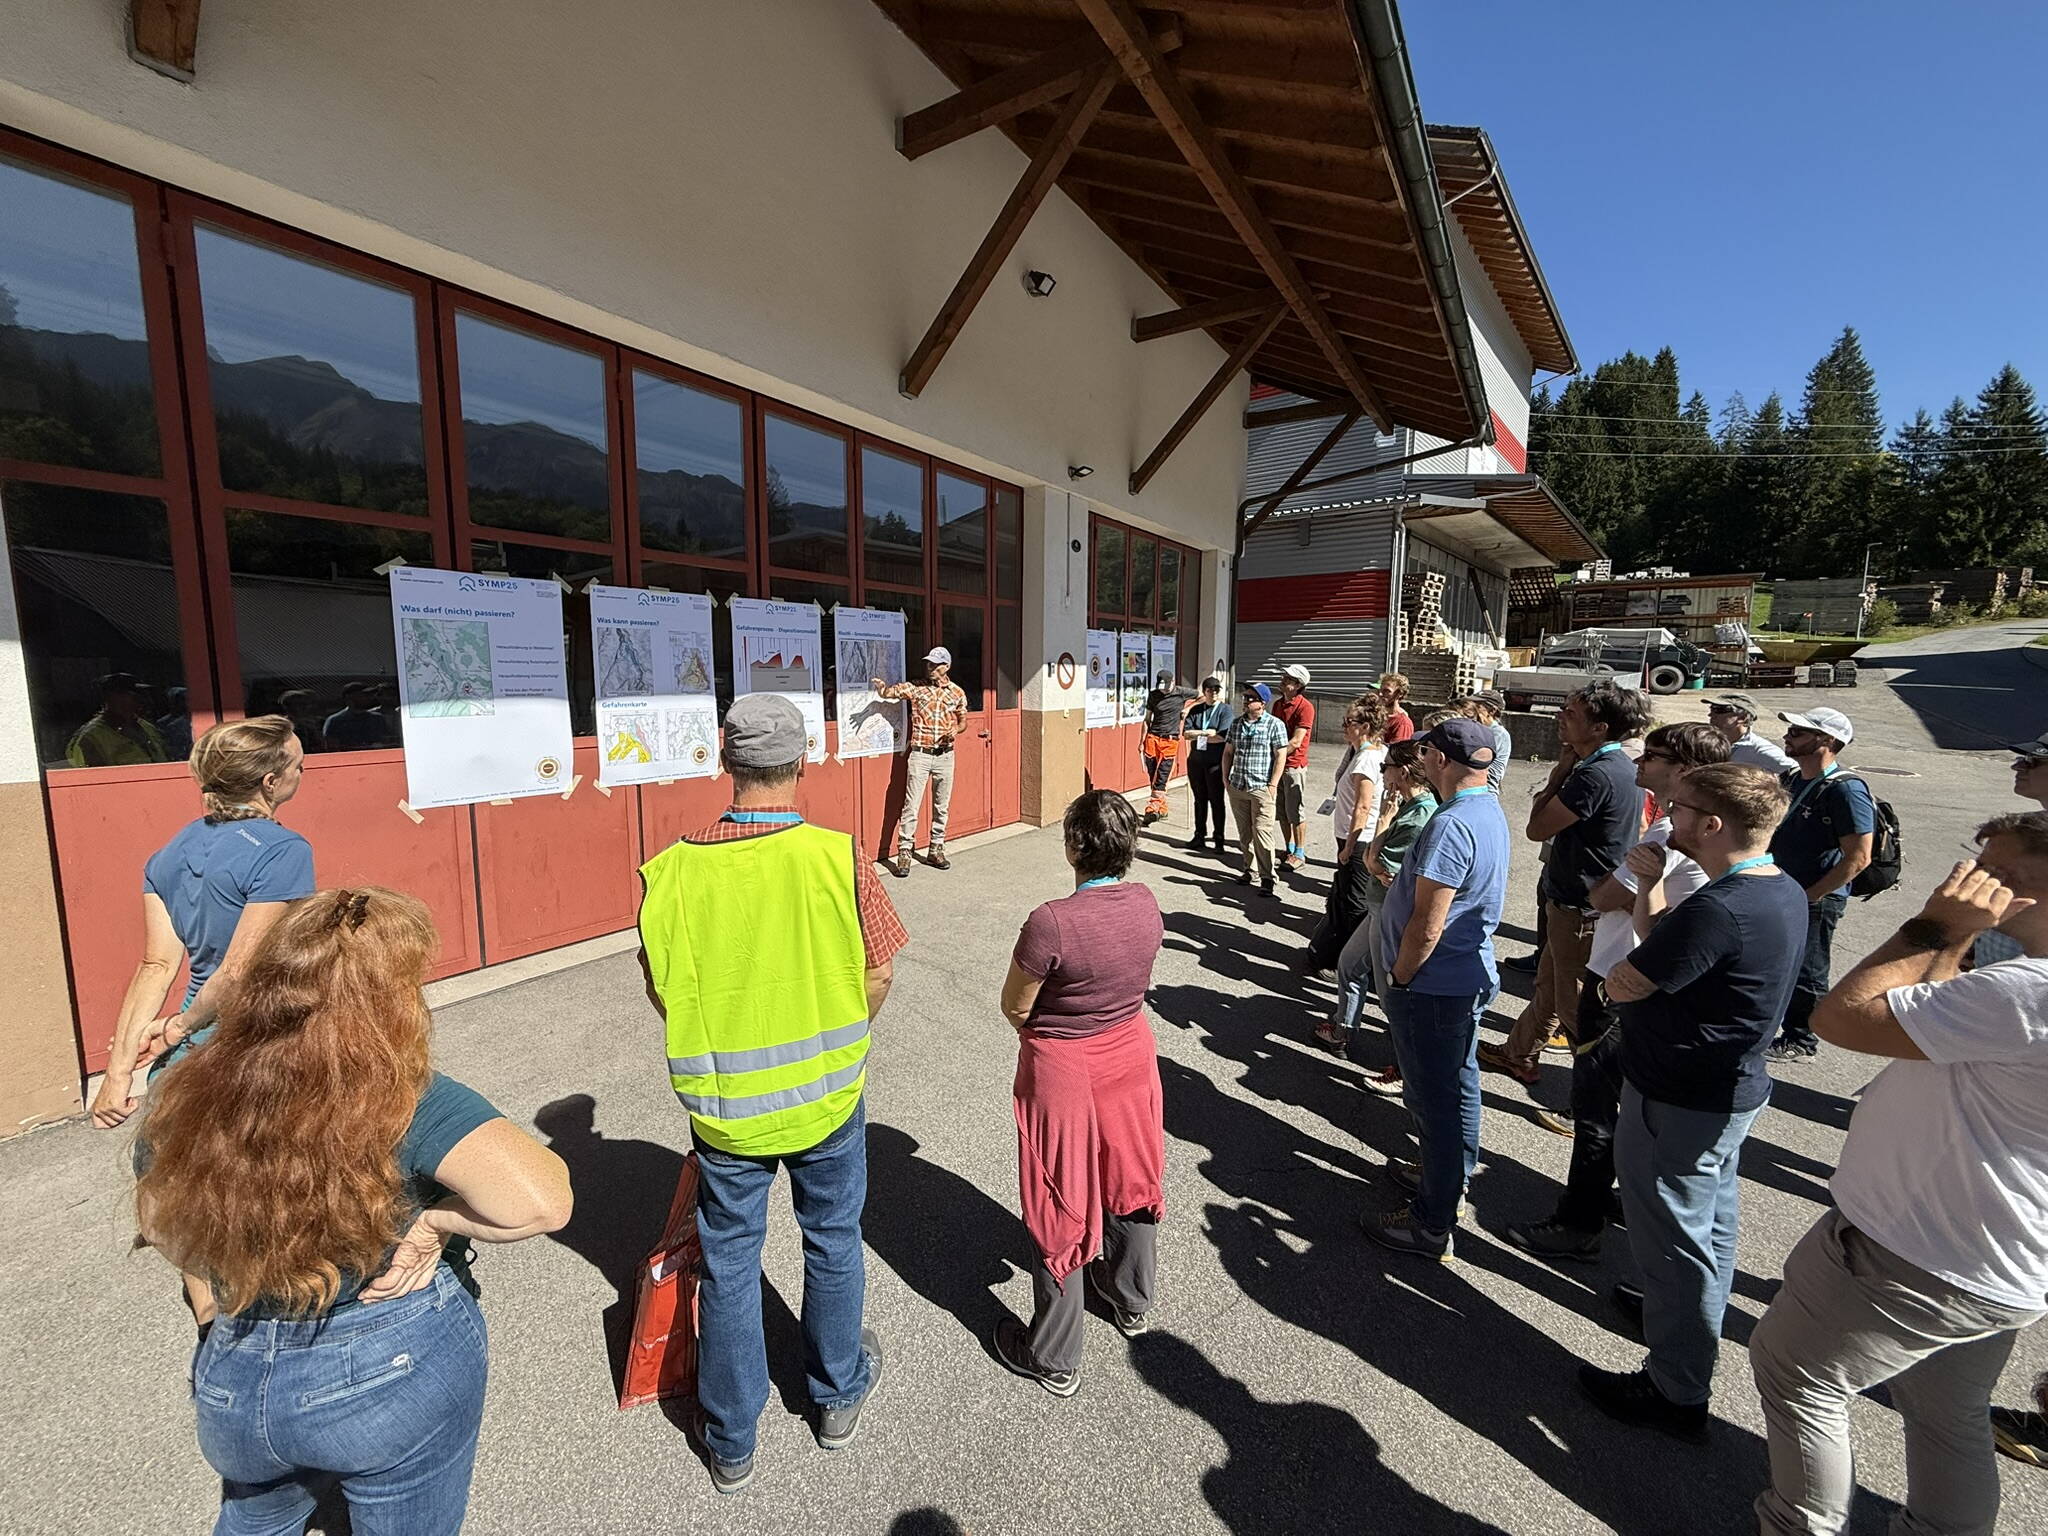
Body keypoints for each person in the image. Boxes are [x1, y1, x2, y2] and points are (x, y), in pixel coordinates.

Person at [136, 887, 573, 1536]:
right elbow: (543, 1203)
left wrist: (208, 1311)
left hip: (234, 1380)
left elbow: (161, 1220)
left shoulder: (186, 1082)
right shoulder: (402, 1096)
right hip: (385, 1368)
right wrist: (434, 1223)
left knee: (255, 1516)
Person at [638, 694, 906, 1492]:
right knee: (831, 1239)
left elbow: (662, 988)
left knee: (728, 1261)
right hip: (828, 1097)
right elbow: (881, 965)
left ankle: (731, 1439)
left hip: (726, 1111)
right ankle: (834, 1395)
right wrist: (840, 1026)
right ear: (801, 763)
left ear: (728, 762)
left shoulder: (671, 871)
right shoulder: (838, 855)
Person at [1751, 820, 2048, 1534]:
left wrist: (1936, 925)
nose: (1973, 879)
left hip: (1916, 1253)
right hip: (1999, 1261)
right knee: (1947, 1413)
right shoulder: (2013, 996)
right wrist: (1956, 946)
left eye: (1998, 870)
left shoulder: (2025, 993)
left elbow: (1844, 1016)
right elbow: (1929, 1031)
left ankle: (1798, 1526)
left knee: (1799, 1375)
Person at [1578, 764, 1805, 1439]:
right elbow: (1663, 950)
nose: (1668, 817)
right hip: (1723, 1092)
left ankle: (1676, 1384)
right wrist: (1649, 884)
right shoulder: (1774, 887)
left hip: (1678, 1097)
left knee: (1672, 1237)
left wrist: (1617, 984)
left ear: (1712, 824)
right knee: (1706, 1226)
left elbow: (1626, 981)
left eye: (1679, 809)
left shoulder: (1720, 906)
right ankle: (1679, 1320)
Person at [1506, 722, 1728, 1257]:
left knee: (1598, 1109)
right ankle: (1619, 1197)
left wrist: (1618, 889)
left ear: (1684, 770)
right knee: (1626, 1106)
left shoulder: (1668, 836)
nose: (1637, 764)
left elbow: (1607, 896)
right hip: (1637, 971)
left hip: (1618, 978)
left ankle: (1578, 1223)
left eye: (1651, 756)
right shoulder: (1684, 829)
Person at [994, 791, 1167, 1395]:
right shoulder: (1147, 903)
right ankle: (1129, 1298)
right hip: (1129, 1052)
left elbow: (1016, 1006)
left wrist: (1054, 1034)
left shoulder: (1051, 921)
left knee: (1060, 1196)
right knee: (1132, 1176)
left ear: (1073, 846)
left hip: (1064, 1067)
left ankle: (1055, 1353)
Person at [91, 715, 315, 1130]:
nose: (303, 772)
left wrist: (117, 1072)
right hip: (260, 1041)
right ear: (269, 782)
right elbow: (237, 972)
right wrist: (178, 1027)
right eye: (298, 765)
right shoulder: (284, 850)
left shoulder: (171, 851)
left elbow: (155, 967)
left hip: (194, 1048)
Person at [1360, 718, 1508, 1259]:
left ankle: (1431, 1220)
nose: (1419, 762)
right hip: (1458, 979)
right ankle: (1449, 1181)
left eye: (1425, 753)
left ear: (1441, 760)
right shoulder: (1484, 806)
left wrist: (1400, 974)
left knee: (1437, 1100)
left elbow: (1429, 921)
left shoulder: (1452, 825)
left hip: (1434, 981)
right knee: (1457, 1087)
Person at [1481, 681, 1652, 1088]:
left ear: (1600, 727)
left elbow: (1537, 828)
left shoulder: (1594, 774)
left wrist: (1559, 771)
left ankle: (1597, 1098)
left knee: (1576, 1006)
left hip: (1580, 907)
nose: (1560, 717)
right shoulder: (1617, 766)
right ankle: (1518, 1054)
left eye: (1571, 713)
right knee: (1551, 988)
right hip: (1575, 902)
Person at [1764, 707, 1875, 1063]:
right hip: (1784, 890)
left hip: (1816, 898)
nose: (1788, 736)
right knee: (1779, 963)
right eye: (1792, 730)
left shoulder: (1846, 789)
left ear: (1827, 741)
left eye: (1798, 732)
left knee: (1808, 970)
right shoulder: (1793, 778)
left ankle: (1801, 1040)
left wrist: (1813, 896)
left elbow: (1859, 857)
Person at [1325, 739, 1437, 1074]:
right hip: (1378, 907)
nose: (1381, 770)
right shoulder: (1409, 803)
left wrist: (1384, 820)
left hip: (1389, 914)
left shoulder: (1416, 815)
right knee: (1349, 965)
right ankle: (1343, 1032)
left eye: (1386, 765)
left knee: (1391, 994)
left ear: (1402, 772)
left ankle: (1409, 1065)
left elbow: (1375, 863)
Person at [1305, 693, 1391, 989]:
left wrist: (1350, 847)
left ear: (1365, 725)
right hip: (1354, 838)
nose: (1343, 726)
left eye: (1349, 721)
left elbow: (1363, 807)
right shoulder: (1365, 753)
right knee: (1344, 900)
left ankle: (1352, 964)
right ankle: (1339, 955)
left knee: (1355, 904)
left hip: (1359, 841)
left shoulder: (1367, 759)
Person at [875, 646, 969, 877]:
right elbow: (891, 693)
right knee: (911, 805)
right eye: (928, 663)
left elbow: (963, 721)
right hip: (920, 754)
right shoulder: (917, 688)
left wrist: (955, 730)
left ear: (946, 667)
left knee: (941, 805)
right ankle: (905, 852)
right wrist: (882, 690)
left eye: (935, 664)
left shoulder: (957, 693)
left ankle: (936, 849)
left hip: (945, 756)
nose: (929, 667)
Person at [1222, 682, 1290, 896]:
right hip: (1238, 786)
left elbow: (1281, 756)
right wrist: (1226, 778)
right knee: (1245, 833)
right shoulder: (1236, 724)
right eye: (1245, 696)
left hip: (1261, 788)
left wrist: (1273, 785)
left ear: (1262, 702)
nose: (1245, 700)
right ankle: (1249, 870)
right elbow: (1228, 752)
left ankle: (1268, 877)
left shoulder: (1274, 724)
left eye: (1250, 697)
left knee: (1262, 833)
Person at [66, 671, 168, 767]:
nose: (142, 700)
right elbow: (91, 780)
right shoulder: (91, 738)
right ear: (112, 698)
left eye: (142, 695)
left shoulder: (146, 726)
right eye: (133, 695)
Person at [1181, 677, 1233, 854]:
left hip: (1215, 763)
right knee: (1199, 800)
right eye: (1210, 690)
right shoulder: (1196, 710)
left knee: (1216, 801)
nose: (1214, 693)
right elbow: (1186, 734)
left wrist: (1201, 735)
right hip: (1196, 761)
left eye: (1217, 690)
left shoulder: (1225, 711)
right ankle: (1199, 835)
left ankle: (1219, 839)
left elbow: (1220, 736)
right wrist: (1205, 732)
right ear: (1205, 692)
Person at [1139, 671, 1198, 824]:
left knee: (1162, 776)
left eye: (1166, 687)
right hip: (1152, 738)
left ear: (1173, 682)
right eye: (1161, 687)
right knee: (1153, 774)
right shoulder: (1153, 695)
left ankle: (1152, 809)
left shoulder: (1182, 693)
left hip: (1170, 740)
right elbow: (1147, 719)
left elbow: (1202, 696)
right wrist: (1141, 740)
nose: (1163, 690)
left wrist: (1188, 708)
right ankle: (1162, 809)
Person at [1273, 664, 1316, 871]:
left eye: (1288, 678)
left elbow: (1296, 741)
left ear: (1298, 685)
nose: (1283, 680)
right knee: (1281, 811)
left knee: (1295, 811)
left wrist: (1276, 756)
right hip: (1278, 764)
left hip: (1293, 766)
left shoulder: (1305, 707)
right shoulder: (1278, 704)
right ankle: (1289, 848)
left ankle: (1299, 852)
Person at [1707, 693, 1799, 775]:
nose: (1711, 715)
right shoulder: (1710, 742)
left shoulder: (1760, 750)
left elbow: (1796, 772)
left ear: (1742, 718)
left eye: (1719, 710)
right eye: (1712, 709)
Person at [1457, 690, 1514, 791]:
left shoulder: (1498, 734)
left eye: (1477, 707)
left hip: (1484, 790)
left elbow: (1478, 764)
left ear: (1492, 711)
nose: (1471, 710)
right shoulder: (1476, 728)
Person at [323, 681, 393, 751]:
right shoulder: (335, 721)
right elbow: (332, 749)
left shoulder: (378, 719)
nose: (369, 698)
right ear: (349, 697)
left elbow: (387, 742)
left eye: (369, 695)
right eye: (364, 695)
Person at [156, 685, 193, 761]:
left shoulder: (193, 720)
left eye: (184, 700)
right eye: (178, 700)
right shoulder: (165, 723)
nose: (182, 703)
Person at [1378, 673, 1416, 743]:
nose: (1380, 694)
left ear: (1399, 694)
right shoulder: (1377, 716)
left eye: (1387, 691)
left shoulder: (1403, 723)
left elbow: (1398, 752)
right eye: (1380, 690)